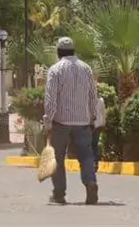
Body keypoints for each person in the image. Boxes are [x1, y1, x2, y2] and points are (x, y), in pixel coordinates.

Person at [42, 36, 99, 205]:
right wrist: (92, 118)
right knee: (86, 155)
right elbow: (92, 96)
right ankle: (90, 183)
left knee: (58, 158)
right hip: (83, 121)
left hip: (61, 122)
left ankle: (59, 194)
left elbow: (50, 98)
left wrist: (48, 121)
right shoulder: (86, 69)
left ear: (59, 52)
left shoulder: (55, 70)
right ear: (73, 50)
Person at [91, 93, 106, 173]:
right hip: (93, 125)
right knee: (93, 145)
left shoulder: (100, 101)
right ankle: (94, 163)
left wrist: (103, 123)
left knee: (92, 145)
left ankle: (94, 163)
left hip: (94, 126)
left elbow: (103, 113)